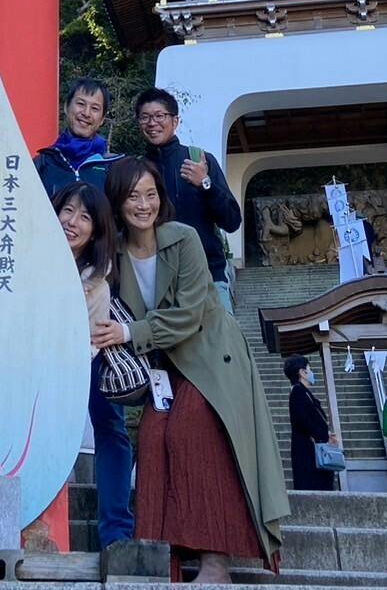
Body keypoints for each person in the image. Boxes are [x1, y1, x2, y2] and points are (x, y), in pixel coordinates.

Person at [95, 157, 287, 585]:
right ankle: (169, 556)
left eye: (151, 194)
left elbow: (191, 313)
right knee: (152, 437)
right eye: (133, 196)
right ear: (117, 202)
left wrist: (129, 332)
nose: (143, 204)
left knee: (189, 430)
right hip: (165, 367)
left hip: (209, 355)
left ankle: (215, 561)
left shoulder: (182, 238)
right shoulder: (115, 254)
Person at [53, 181, 133, 549]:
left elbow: (90, 340)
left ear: (97, 229)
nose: (72, 221)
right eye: (67, 210)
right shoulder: (30, 259)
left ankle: (116, 533)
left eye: (84, 217)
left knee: (111, 430)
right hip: (38, 364)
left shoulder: (98, 279)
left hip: (89, 361)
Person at [134, 87, 241, 313]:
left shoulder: (199, 160)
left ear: (175, 121)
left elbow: (232, 221)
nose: (152, 123)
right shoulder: (135, 170)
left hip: (208, 278)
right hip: (156, 285)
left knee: (222, 346)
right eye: (145, 117)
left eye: (159, 116)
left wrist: (205, 183)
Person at [34, 78, 124, 197]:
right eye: (81, 104)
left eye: (95, 109)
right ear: (66, 107)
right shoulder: (43, 163)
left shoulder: (113, 167)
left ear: (102, 119)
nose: (86, 113)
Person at [283, 355, 338, 491]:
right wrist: (323, 434)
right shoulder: (298, 392)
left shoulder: (303, 392)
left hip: (311, 448)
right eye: (309, 368)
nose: (311, 372)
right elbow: (303, 420)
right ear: (302, 372)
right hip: (309, 452)